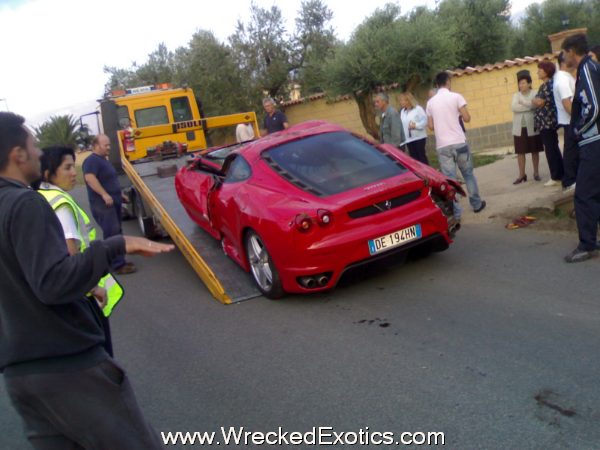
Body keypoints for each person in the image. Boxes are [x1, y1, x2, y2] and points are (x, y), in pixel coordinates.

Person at [0, 111, 174, 448]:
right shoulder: (24, 204)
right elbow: (51, 282)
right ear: (17, 154)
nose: (38, 153)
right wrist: (115, 245)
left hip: (21, 377)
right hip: (67, 366)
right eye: (33, 146)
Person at [37, 145, 121, 357]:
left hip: (66, 294)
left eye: (73, 167)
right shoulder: (61, 203)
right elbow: (70, 252)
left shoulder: (40, 196)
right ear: (48, 173)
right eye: (67, 168)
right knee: (102, 352)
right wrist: (93, 287)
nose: (74, 173)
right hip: (84, 295)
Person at [426, 72, 486, 221]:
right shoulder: (456, 97)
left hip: (442, 146)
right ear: (448, 82)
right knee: (468, 174)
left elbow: (431, 126)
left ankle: (456, 212)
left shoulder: (430, 103)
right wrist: (457, 115)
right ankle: (476, 204)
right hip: (459, 142)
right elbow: (467, 117)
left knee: (450, 180)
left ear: (437, 84)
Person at [561, 34, 600, 262]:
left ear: (571, 51)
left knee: (584, 194)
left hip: (593, 142)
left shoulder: (587, 69)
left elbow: (594, 107)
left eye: (564, 52)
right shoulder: (591, 68)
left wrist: (579, 130)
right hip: (594, 141)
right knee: (595, 193)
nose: (563, 57)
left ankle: (586, 245)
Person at [83, 134, 135, 274]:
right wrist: (104, 194)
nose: (109, 147)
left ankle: (119, 261)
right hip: (103, 205)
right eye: (106, 145)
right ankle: (118, 265)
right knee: (112, 233)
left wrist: (120, 195)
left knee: (117, 231)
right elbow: (90, 178)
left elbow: (110, 180)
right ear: (96, 145)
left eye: (109, 145)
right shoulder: (91, 161)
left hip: (113, 201)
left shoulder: (103, 160)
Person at [532, 61, 564, 186]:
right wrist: (536, 100)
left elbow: (540, 102)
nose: (538, 72)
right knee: (552, 148)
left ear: (546, 71)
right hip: (544, 122)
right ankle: (560, 173)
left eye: (540, 70)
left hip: (548, 121)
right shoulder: (544, 85)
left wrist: (534, 100)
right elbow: (538, 101)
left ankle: (556, 176)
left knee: (551, 149)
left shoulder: (548, 85)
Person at [510, 70, 544, 184]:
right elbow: (514, 108)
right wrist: (529, 105)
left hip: (532, 125)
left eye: (524, 83)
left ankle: (536, 173)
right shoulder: (516, 95)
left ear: (529, 83)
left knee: (535, 150)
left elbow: (535, 105)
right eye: (520, 83)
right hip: (519, 128)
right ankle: (521, 174)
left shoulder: (535, 93)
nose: (521, 85)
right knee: (520, 152)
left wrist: (523, 103)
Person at [553, 52, 578, 192]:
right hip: (570, 120)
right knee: (571, 151)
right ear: (563, 62)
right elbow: (567, 103)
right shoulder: (562, 79)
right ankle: (569, 181)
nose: (573, 58)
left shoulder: (565, 76)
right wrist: (577, 119)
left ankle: (571, 179)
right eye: (569, 57)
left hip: (569, 120)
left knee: (572, 150)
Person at [398, 92, 429, 165]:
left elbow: (425, 121)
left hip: (418, 137)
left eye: (402, 100)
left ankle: (428, 173)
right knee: (414, 158)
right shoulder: (402, 111)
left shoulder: (418, 109)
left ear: (408, 101)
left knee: (421, 157)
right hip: (408, 139)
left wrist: (416, 125)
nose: (400, 102)